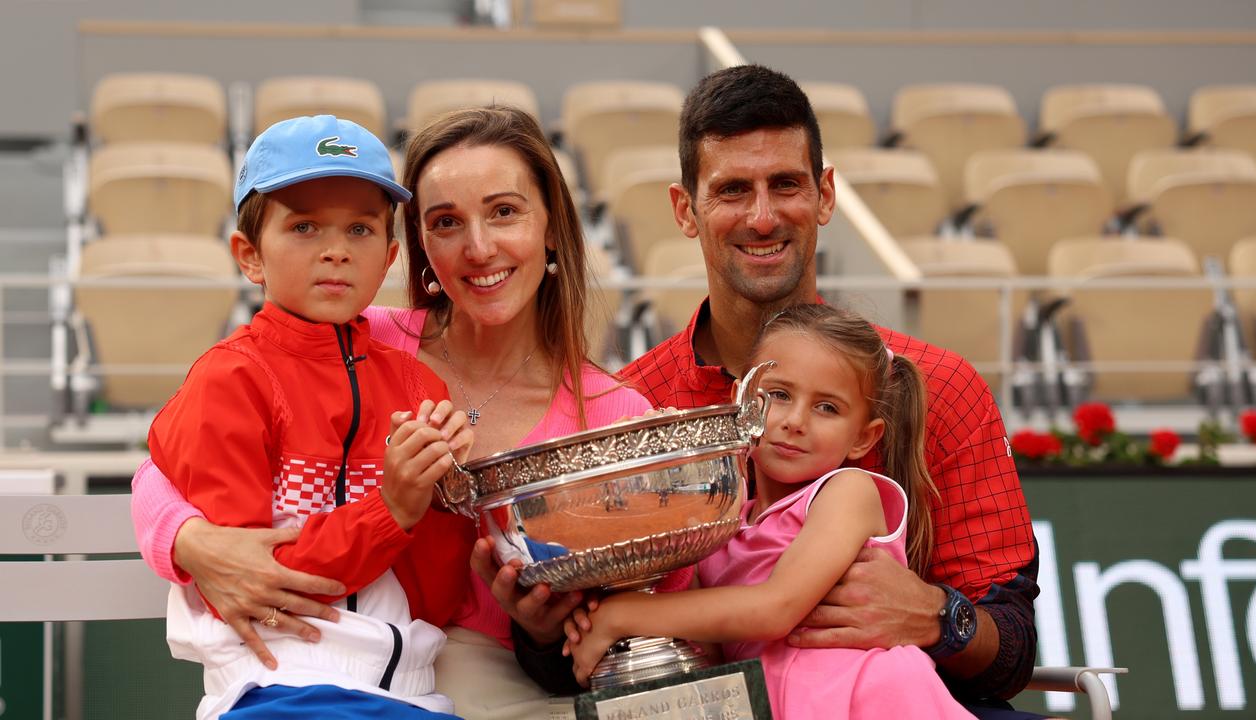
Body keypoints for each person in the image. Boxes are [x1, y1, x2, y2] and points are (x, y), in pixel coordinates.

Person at [494, 65, 1040, 716]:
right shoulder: (632, 406)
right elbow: (583, 655)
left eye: (785, 184)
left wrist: (937, 616)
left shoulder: (936, 382)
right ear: (684, 210)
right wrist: (542, 628)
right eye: (731, 190)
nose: (762, 217)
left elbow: (1011, 652)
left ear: (826, 195)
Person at [130, 106, 652, 719]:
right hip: (297, 671)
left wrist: (536, 625)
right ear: (420, 247)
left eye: (504, 212)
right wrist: (188, 540)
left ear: (553, 227)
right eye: (446, 221)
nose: (479, 247)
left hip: (475, 676)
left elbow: (632, 629)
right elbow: (166, 466)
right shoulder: (346, 333)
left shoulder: (615, 412)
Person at [147, 114, 477, 719]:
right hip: (277, 687)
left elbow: (435, 596)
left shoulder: (416, 382)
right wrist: (393, 509)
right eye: (304, 227)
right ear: (250, 256)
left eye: (359, 229)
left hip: (412, 691)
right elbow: (252, 585)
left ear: (389, 258)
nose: (335, 250)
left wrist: (445, 498)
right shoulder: (229, 379)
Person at [564, 304, 975, 719]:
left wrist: (623, 616)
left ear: (863, 438)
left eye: (827, 407)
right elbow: (710, 645)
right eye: (778, 395)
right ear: (740, 401)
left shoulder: (848, 492)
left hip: (877, 701)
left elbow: (775, 609)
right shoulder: (720, 523)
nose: (795, 421)